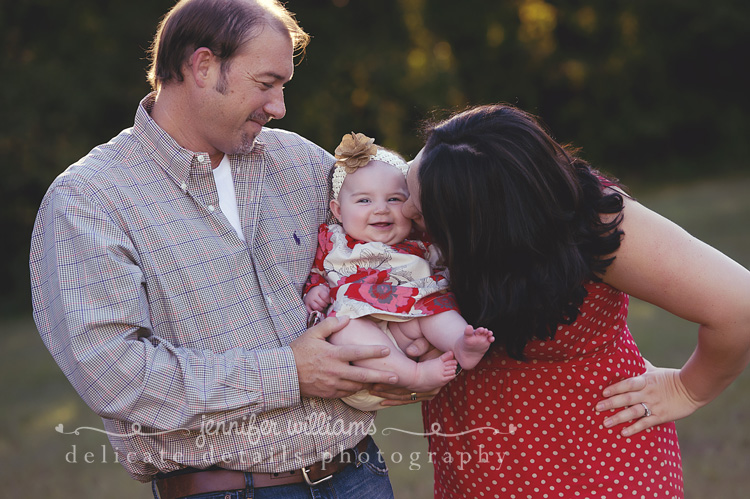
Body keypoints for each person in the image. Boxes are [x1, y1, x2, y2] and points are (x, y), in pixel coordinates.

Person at [28, 1, 405, 498]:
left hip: (361, 477)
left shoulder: (302, 164)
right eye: (266, 83)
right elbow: (116, 377)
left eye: (283, 87)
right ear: (203, 66)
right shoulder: (92, 199)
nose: (279, 107)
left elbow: (391, 246)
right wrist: (286, 372)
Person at [397, 104, 750, 498]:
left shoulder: (591, 222)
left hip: (594, 462)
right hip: (477, 463)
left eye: (421, 209)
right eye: (411, 175)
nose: (404, 209)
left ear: (484, 227)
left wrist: (688, 389)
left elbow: (739, 305)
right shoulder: (431, 192)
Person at [303, 132, 495, 411]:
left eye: (394, 199)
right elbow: (318, 271)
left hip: (409, 329)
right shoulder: (334, 241)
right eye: (364, 201)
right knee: (344, 328)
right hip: (366, 354)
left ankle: (460, 344)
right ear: (338, 210)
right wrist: (315, 290)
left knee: (436, 308)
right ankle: (414, 376)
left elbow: (452, 267)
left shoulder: (419, 242)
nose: (381, 210)